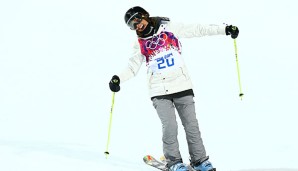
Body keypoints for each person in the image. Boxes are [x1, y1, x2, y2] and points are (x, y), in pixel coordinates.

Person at [109, 6, 239, 171]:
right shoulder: (139, 43)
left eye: (137, 21)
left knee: (191, 125)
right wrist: (117, 78)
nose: (137, 26)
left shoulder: (167, 27)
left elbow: (196, 29)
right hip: (159, 90)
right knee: (170, 126)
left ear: (144, 16)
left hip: (182, 85)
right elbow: (132, 67)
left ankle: (200, 160)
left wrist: (224, 29)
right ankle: (174, 162)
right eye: (132, 26)